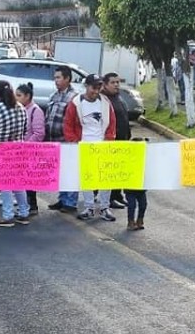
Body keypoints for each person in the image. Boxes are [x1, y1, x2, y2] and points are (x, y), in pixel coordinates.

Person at [62, 73, 117, 222]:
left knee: (106, 179)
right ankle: (89, 207)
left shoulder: (105, 102)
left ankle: (105, 207)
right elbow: (68, 125)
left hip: (103, 145)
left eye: (99, 87)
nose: (96, 90)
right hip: (84, 145)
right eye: (93, 87)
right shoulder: (76, 103)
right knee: (87, 178)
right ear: (87, 86)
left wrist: (109, 140)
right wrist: (74, 142)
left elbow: (112, 123)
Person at [0, 80, 30, 227]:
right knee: (18, 183)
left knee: (5, 185)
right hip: (18, 149)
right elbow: (24, 129)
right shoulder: (21, 107)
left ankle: (8, 215)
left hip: (1, 151)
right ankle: (23, 213)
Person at [46, 65, 79, 213]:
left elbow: (76, 121)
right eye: (55, 78)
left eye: (59, 77)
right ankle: (62, 198)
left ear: (67, 79)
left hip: (68, 140)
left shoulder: (74, 97)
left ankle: (70, 202)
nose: (56, 81)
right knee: (60, 172)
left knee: (70, 171)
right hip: (54, 140)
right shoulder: (54, 95)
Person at [102, 72, 131, 209]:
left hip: (123, 140)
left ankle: (118, 195)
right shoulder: (103, 100)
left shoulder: (118, 98)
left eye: (118, 82)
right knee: (110, 172)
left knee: (120, 171)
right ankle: (110, 198)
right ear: (105, 85)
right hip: (110, 141)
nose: (116, 85)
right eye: (113, 82)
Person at [15, 82, 44, 215]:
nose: (16, 98)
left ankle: (32, 206)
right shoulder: (20, 109)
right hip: (20, 150)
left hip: (30, 151)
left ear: (28, 96)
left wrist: (25, 146)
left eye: (19, 95)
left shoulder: (35, 111)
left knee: (30, 181)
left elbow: (39, 133)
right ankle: (24, 205)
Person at [125, 138, 149, 230]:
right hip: (130, 189)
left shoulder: (145, 158)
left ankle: (140, 220)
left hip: (141, 188)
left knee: (143, 205)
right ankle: (130, 221)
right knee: (132, 205)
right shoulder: (127, 158)